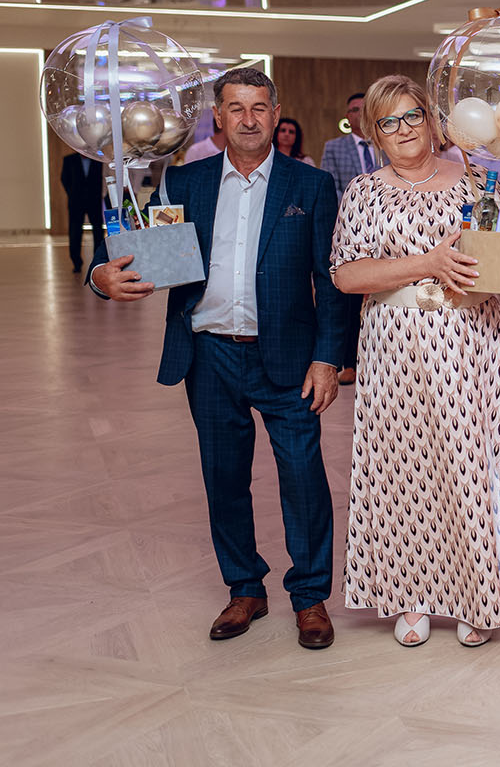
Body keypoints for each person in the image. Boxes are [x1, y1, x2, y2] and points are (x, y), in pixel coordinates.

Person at [88, 67, 346, 649]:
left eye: (258, 108)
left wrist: (328, 357)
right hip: (208, 356)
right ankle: (245, 588)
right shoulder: (186, 182)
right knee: (223, 477)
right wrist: (102, 275)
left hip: (289, 359)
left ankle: (310, 596)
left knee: (303, 478)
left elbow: (330, 281)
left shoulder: (310, 186)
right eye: (236, 108)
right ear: (219, 117)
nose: (248, 119)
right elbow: (139, 252)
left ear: (275, 114)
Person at [330, 75, 500, 648]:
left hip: (469, 340)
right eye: (388, 122)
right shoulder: (363, 192)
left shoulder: (479, 180)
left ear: (433, 121)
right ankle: (410, 593)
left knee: (471, 464)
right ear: (374, 133)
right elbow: (347, 274)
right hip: (393, 345)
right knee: (403, 469)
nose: (404, 129)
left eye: (413, 115)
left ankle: (475, 594)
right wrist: (425, 263)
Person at [320, 92, 384, 385]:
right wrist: (356, 211)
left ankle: (378, 360)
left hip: (385, 230)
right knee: (348, 299)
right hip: (349, 229)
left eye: (362, 109)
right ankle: (348, 362)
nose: (357, 114)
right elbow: (330, 185)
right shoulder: (334, 147)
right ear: (347, 116)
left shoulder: (385, 144)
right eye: (353, 110)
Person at [60, 151, 105, 274]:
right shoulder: (69, 159)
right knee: (75, 232)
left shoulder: (98, 160)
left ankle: (98, 261)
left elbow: (102, 179)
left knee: (98, 231)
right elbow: (64, 179)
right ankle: (76, 262)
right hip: (76, 202)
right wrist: (72, 193)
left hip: (94, 201)